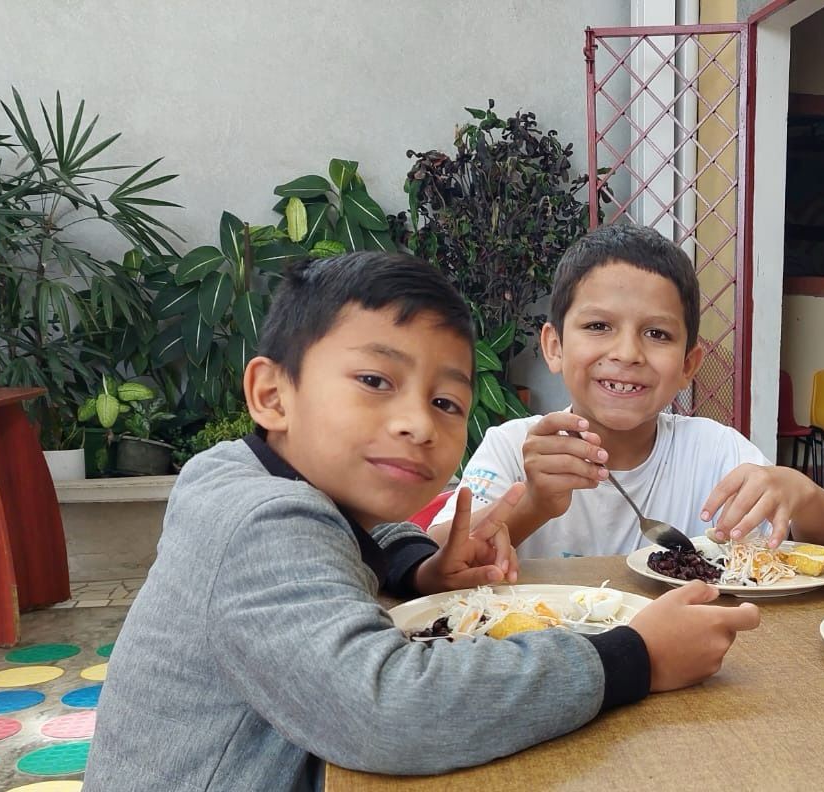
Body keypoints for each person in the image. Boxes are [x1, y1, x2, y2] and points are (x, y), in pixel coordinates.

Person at [86, 252, 760, 790]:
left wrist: (419, 567)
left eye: (445, 402)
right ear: (272, 394)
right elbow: (386, 711)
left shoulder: (255, 475)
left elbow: (361, 533)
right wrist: (634, 658)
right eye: (375, 382)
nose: (417, 422)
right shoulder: (259, 521)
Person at [431, 224, 824, 558]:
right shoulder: (513, 449)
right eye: (599, 326)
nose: (628, 353)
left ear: (687, 365)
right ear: (555, 346)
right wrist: (534, 504)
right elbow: (434, 557)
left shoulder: (714, 452)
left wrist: (801, 493)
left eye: (657, 333)